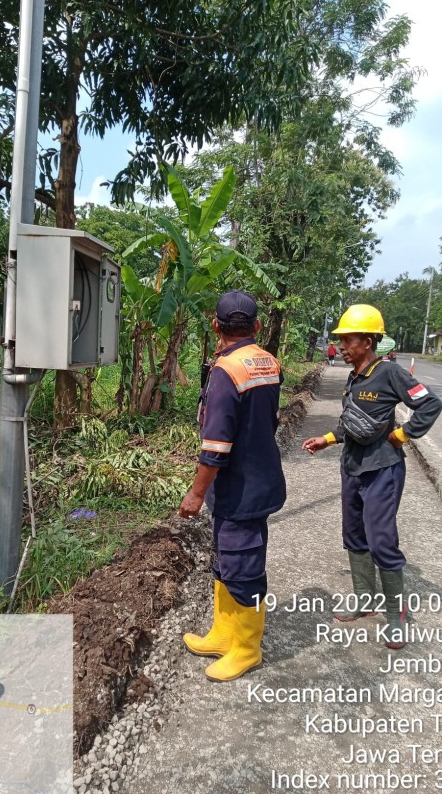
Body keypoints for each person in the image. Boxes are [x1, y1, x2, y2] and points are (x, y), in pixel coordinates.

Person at [301, 304, 442, 649]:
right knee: (353, 535)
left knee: (381, 541)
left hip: (382, 469)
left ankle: (396, 616)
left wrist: (403, 434)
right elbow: (353, 421)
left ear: (367, 341)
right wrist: (327, 439)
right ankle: (364, 600)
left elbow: (430, 404)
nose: (342, 346)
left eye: (348, 340)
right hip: (352, 466)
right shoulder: (354, 376)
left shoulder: (390, 373)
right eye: (341, 340)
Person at [179, 290, 286, 681]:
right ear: (256, 326)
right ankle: (224, 634)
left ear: (216, 326)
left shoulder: (226, 370)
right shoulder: (269, 362)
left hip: (241, 488)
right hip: (256, 478)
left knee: (243, 566)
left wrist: (196, 494)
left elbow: (216, 445)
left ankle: (247, 649)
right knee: (225, 561)